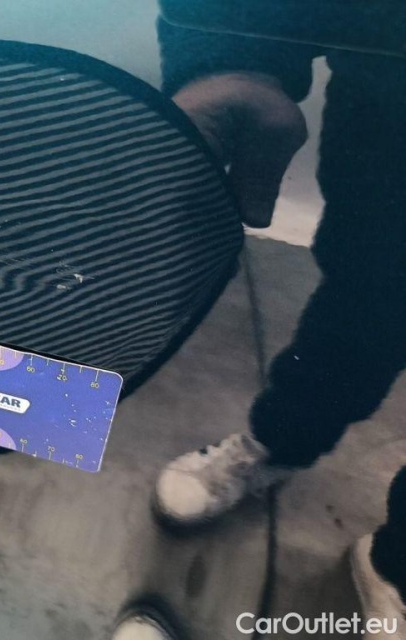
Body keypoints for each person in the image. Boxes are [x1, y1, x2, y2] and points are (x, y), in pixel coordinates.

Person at [122, 2, 406, 639]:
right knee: (368, 305)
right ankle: (280, 444)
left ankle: (401, 567)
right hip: (397, 121)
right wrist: (231, 57)